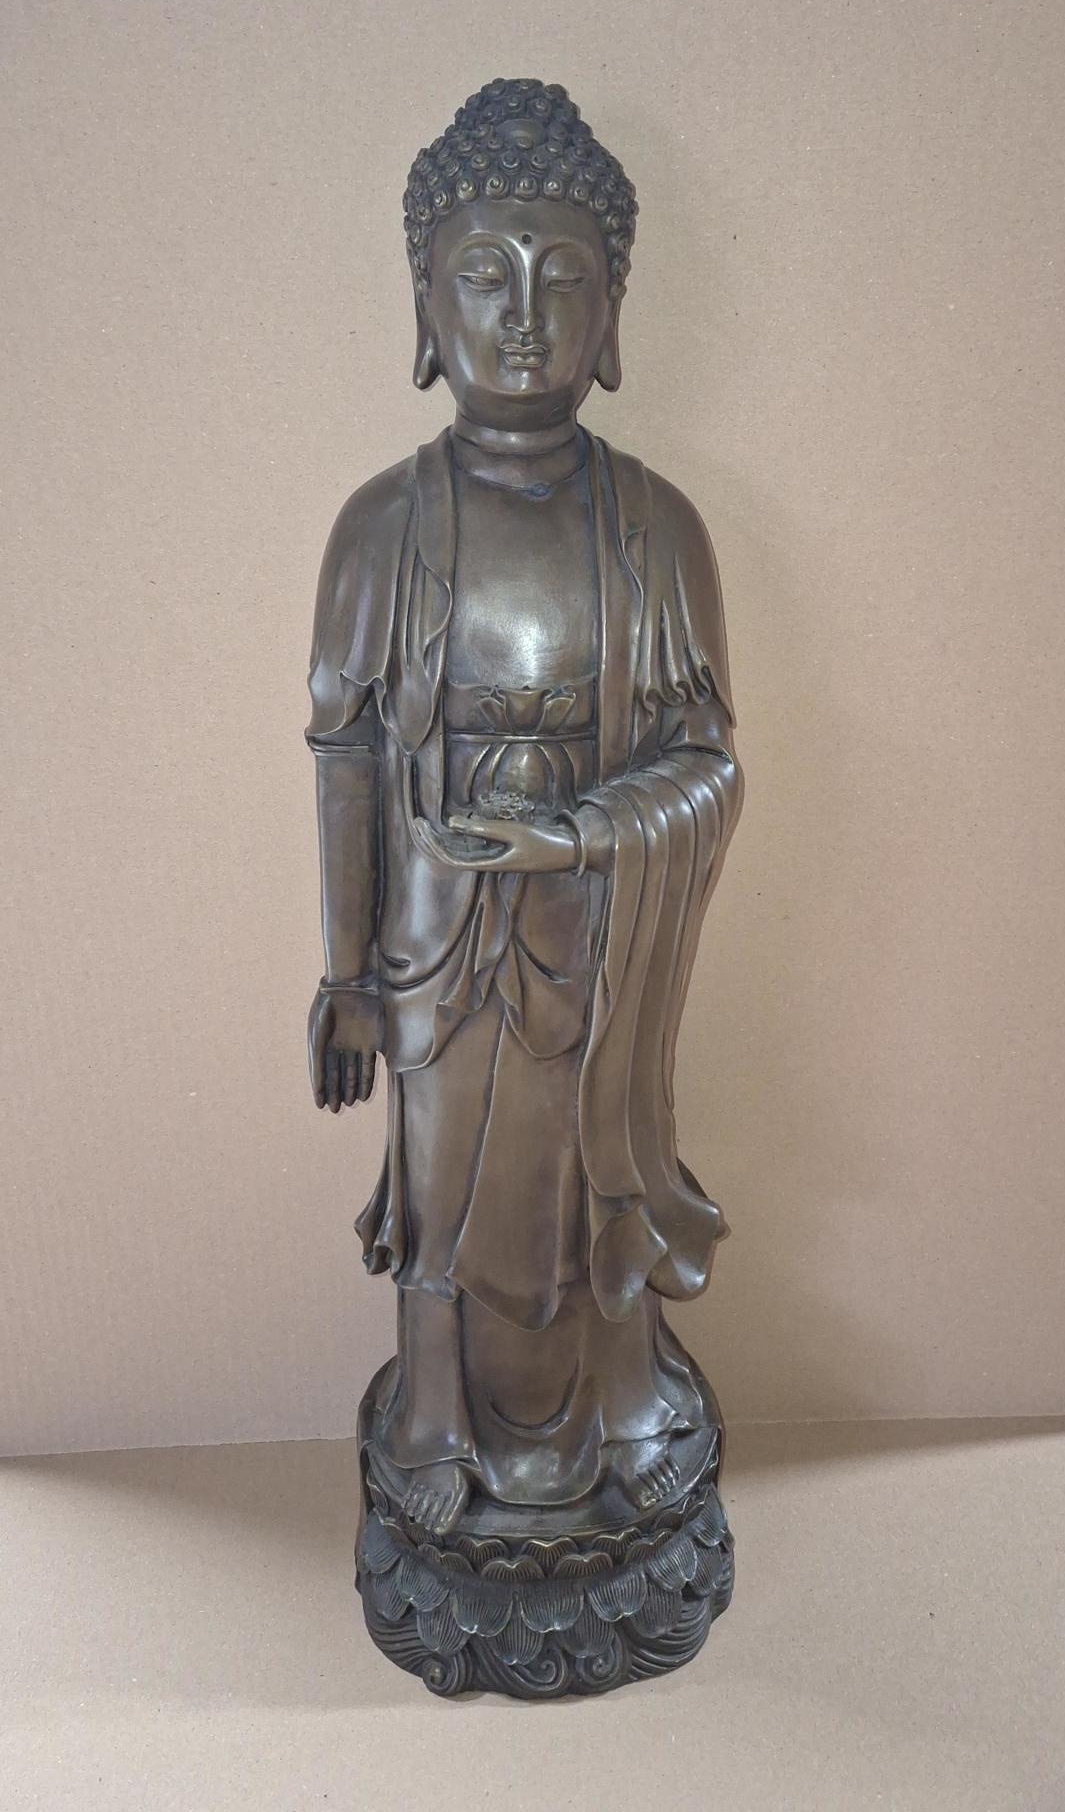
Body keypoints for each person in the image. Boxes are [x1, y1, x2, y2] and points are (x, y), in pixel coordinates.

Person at [306, 79, 743, 1537]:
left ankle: (621, 1403)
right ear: (423, 306)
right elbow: (347, 757)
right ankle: (436, 1416)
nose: (523, 320)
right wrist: (346, 974)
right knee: (442, 1190)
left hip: (597, 933)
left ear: (614, 315)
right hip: (438, 940)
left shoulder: (658, 530)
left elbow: (709, 763)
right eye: (484, 276)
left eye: (565, 281)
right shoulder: (381, 525)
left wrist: (576, 836)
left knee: (587, 1182)